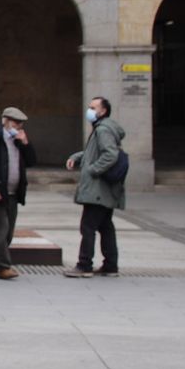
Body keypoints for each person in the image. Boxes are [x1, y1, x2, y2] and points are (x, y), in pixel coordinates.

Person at [64, 96, 127, 278]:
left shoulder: (103, 130)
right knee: (105, 226)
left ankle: (84, 265)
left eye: (93, 107)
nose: (89, 110)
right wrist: (77, 157)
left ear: (103, 111)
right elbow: (94, 151)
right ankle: (110, 265)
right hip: (104, 189)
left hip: (97, 189)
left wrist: (93, 170)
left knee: (88, 226)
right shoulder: (103, 129)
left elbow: (110, 154)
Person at [0, 106, 35, 280]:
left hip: (13, 194)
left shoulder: (18, 140)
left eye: (21, 124)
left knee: (9, 233)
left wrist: (26, 144)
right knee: (1, 230)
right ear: (5, 121)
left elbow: (31, 162)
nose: (19, 126)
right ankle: (3, 266)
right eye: (15, 122)